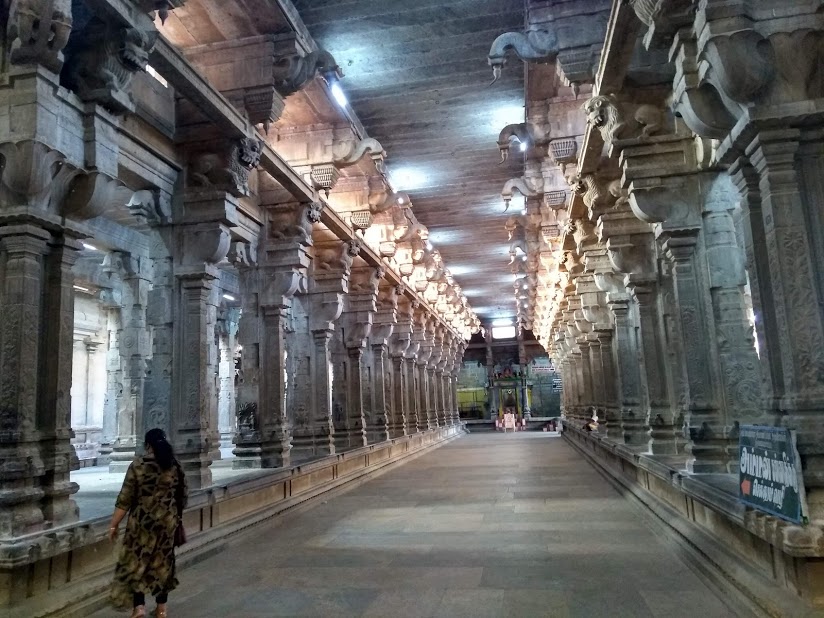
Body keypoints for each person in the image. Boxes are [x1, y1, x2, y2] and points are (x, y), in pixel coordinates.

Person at [108, 429, 188, 618]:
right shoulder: (174, 466)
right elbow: (183, 497)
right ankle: (161, 609)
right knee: (163, 564)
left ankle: (139, 608)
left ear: (147, 445)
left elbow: (125, 499)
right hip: (167, 524)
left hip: (141, 524)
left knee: (138, 563)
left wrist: (114, 524)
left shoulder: (138, 466)